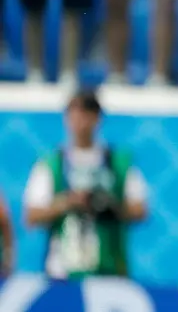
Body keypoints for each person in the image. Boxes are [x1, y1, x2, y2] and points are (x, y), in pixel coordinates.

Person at [22, 91, 149, 279]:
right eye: (73, 115)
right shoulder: (51, 164)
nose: (79, 122)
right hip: (62, 270)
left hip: (109, 270)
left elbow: (140, 210)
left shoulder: (118, 162)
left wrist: (111, 206)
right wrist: (68, 202)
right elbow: (32, 215)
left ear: (97, 119)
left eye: (84, 115)